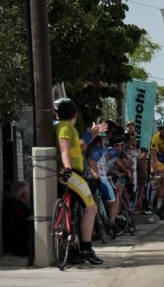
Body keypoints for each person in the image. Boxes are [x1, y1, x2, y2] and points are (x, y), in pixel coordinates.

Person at [54, 98, 103, 264]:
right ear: (75, 115)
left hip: (70, 172)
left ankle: (73, 247)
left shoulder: (65, 127)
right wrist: (68, 168)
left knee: (76, 209)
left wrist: (92, 134)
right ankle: (86, 248)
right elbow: (64, 149)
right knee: (92, 208)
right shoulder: (66, 127)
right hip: (71, 173)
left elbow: (79, 146)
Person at [2, 181, 32, 256]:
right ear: (23, 195)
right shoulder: (17, 209)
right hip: (20, 247)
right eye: (29, 194)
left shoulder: (12, 206)